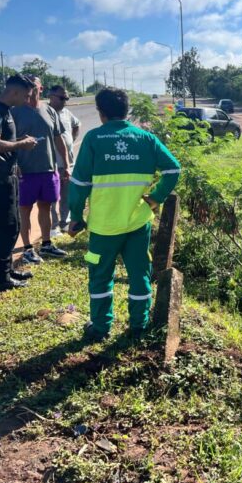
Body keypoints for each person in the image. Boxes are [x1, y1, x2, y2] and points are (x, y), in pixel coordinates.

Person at [68, 88, 181, 342]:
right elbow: (173, 169)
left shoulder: (94, 139)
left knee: (100, 278)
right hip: (138, 223)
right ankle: (138, 326)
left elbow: (79, 184)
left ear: (101, 112)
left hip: (103, 227)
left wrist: (76, 216)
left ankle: (100, 328)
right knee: (140, 275)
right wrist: (156, 197)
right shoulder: (146, 139)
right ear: (126, 110)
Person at [0, 74, 38, 292]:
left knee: (13, 226)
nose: (26, 100)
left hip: (8, 173)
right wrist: (22, 144)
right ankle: (0, 279)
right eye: (25, 95)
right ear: (14, 92)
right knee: (6, 226)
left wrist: (16, 163)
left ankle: (6, 271)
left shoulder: (5, 111)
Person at [11, 76, 70, 264]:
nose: (30, 90)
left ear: (40, 88)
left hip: (48, 169)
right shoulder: (14, 112)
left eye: (33, 86)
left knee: (46, 206)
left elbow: (58, 138)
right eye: (27, 86)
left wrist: (66, 164)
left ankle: (46, 244)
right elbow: (7, 140)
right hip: (25, 171)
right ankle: (27, 249)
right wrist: (14, 164)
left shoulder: (49, 110)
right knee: (25, 209)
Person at [48, 85, 81, 236]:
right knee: (52, 197)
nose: (65, 101)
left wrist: (71, 141)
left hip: (68, 163)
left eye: (66, 98)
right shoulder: (45, 113)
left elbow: (77, 124)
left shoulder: (66, 112)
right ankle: (53, 226)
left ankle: (64, 222)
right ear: (51, 96)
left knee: (67, 194)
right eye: (62, 98)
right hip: (52, 164)